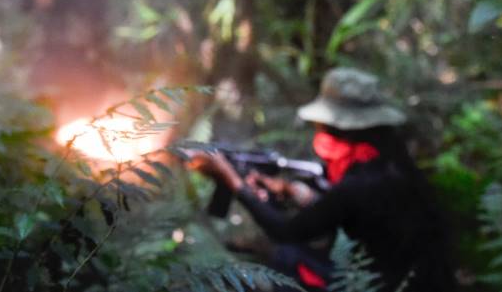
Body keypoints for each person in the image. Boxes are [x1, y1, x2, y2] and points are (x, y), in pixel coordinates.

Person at [189, 67, 456, 292]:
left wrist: (231, 179)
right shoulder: (394, 163)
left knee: (284, 259)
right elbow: (362, 214)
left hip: (383, 285)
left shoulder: (359, 184)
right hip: (425, 279)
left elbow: (286, 232)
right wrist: (299, 194)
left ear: (338, 129)